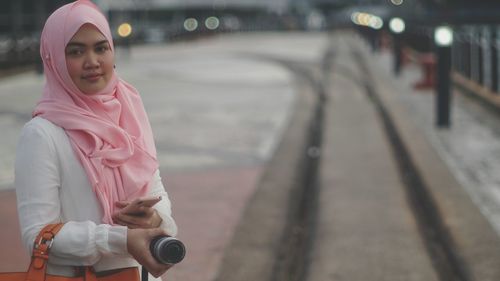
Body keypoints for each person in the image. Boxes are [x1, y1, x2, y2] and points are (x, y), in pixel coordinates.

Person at [14, 1, 177, 280]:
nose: (92, 62)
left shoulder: (128, 114)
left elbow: (158, 191)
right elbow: (38, 236)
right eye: (76, 51)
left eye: (101, 48)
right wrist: (119, 239)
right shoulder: (41, 134)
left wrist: (155, 219)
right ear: (53, 59)